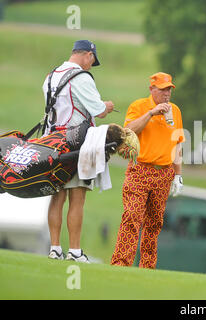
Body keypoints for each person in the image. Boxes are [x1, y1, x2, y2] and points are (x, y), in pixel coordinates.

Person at [45, 40, 115, 262]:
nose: (90, 66)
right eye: (92, 61)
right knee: (77, 198)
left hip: (51, 143)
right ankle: (74, 251)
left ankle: (55, 248)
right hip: (77, 144)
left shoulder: (52, 75)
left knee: (57, 197)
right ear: (88, 55)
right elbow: (99, 110)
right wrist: (108, 105)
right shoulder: (81, 78)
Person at [110, 72, 184, 269]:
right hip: (140, 171)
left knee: (154, 224)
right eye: (162, 89)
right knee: (132, 216)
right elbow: (128, 131)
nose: (167, 93)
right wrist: (152, 113)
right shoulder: (139, 106)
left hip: (164, 173)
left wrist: (178, 175)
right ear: (152, 89)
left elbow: (178, 144)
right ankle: (120, 264)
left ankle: (147, 267)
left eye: (169, 89)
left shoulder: (175, 111)